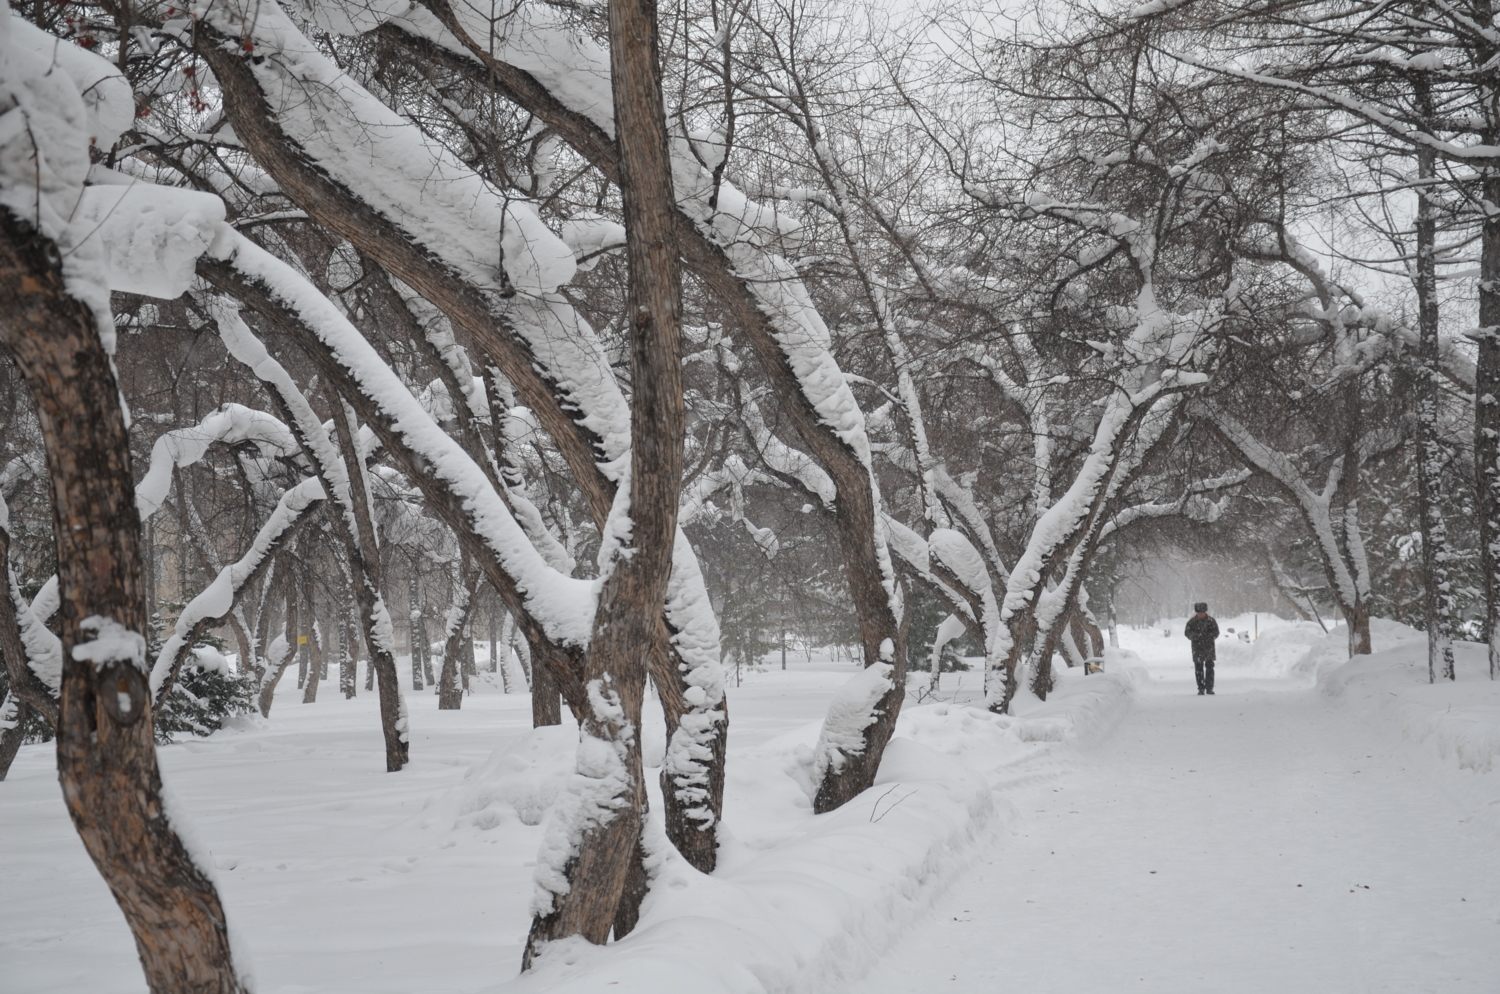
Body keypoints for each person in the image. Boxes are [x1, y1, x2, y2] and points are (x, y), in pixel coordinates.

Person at [1184, 602, 1219, 695]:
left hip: (1209, 648)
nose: (1201, 615)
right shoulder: (1191, 622)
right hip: (1197, 648)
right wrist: (1196, 637)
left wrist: (1208, 637)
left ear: (1205, 612)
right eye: (1199, 613)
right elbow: (1187, 633)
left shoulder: (1211, 621)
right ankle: (1201, 688)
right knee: (1198, 669)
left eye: (1202, 613)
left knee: (1210, 668)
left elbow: (1216, 632)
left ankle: (1209, 688)